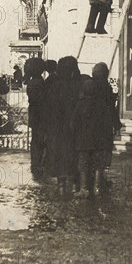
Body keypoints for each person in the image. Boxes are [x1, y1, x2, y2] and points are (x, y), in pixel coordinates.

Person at [46, 57, 82, 193]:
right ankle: (75, 184)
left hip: (57, 127)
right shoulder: (77, 85)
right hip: (74, 127)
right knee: (73, 153)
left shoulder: (55, 85)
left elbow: (49, 108)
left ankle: (61, 184)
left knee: (59, 154)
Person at [72, 79, 111, 198]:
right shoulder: (101, 104)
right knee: (98, 164)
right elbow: (107, 123)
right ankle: (97, 188)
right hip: (99, 140)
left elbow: (73, 123)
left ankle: (84, 189)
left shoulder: (80, 104)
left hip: (83, 141)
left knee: (83, 164)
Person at [25, 57, 47, 177]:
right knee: (40, 140)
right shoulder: (39, 82)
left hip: (34, 113)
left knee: (36, 140)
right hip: (40, 114)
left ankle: (35, 164)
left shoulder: (32, 82)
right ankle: (38, 165)